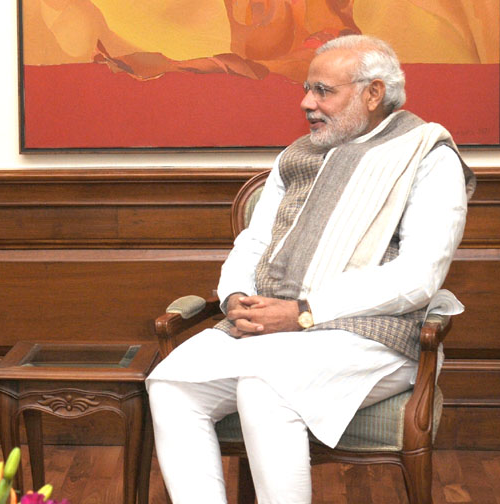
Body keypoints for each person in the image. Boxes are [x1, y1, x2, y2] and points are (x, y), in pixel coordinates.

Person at [146, 34, 475, 504]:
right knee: (171, 381)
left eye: (323, 90)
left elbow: (420, 276)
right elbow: (254, 241)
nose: (306, 102)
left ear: (373, 93)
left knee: (266, 387)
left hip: (377, 333)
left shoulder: (427, 157)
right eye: (307, 89)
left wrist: (303, 312)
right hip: (275, 326)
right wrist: (235, 294)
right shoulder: (296, 157)